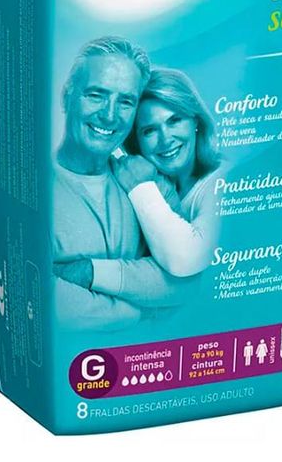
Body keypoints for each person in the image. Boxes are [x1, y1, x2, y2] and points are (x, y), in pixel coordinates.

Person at [53, 37, 198, 330]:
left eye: (125, 102)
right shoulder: (35, 190)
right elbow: (51, 305)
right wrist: (138, 312)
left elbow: (188, 283)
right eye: (96, 95)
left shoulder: (147, 184)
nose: (109, 115)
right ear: (67, 96)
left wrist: (89, 271)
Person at [90, 68, 221, 296]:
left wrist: (141, 187)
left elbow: (186, 258)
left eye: (174, 120)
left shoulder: (222, 181)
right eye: (149, 130)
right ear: (136, 142)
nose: (165, 139)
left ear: (196, 121)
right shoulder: (137, 181)